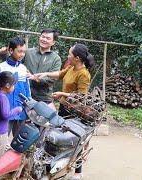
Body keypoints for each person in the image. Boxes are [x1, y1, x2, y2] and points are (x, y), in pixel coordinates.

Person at [33, 43, 95, 180]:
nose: (68, 56)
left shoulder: (84, 74)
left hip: (75, 112)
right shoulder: (71, 67)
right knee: (57, 136)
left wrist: (62, 93)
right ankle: (57, 166)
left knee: (75, 141)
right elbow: (60, 74)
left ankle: (78, 172)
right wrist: (45, 74)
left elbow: (82, 96)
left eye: (70, 54)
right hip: (63, 108)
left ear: (77, 58)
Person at [0, 28, 62, 110]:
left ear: (53, 42)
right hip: (24, 95)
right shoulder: (28, 52)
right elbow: (14, 64)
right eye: (43, 37)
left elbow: (52, 79)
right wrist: (4, 55)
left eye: (48, 38)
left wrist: (36, 78)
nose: (44, 39)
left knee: (43, 121)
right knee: (21, 120)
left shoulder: (56, 58)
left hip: (43, 98)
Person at [0, 36, 31, 137]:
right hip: (5, 113)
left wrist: (28, 108)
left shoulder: (23, 69)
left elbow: (27, 91)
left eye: (24, 52)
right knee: (1, 139)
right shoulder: (1, 67)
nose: (22, 54)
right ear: (11, 50)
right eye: (19, 51)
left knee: (18, 141)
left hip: (21, 112)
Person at [0, 71, 23, 168]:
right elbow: (5, 115)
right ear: (7, 85)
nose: (14, 87)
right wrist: (17, 109)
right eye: (13, 85)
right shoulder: (2, 97)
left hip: (0, 131)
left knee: (7, 152)